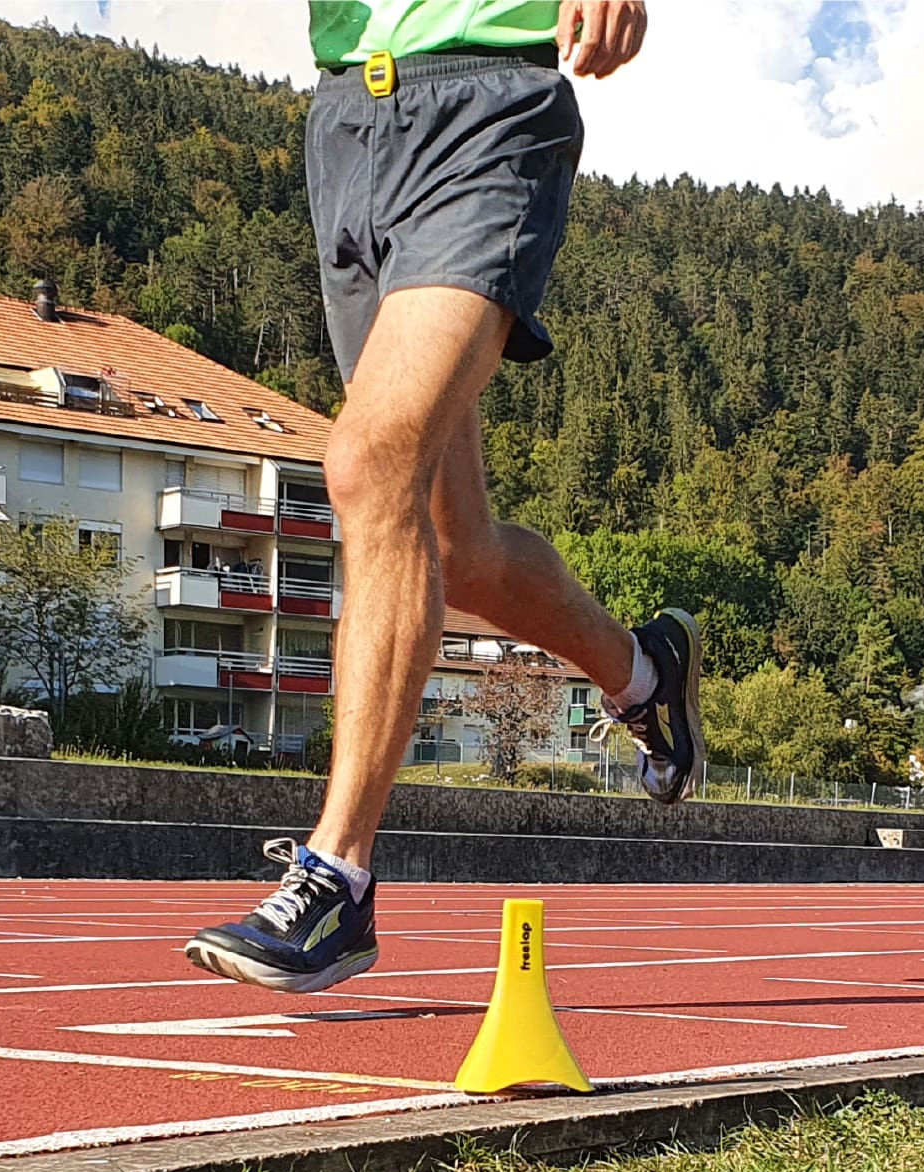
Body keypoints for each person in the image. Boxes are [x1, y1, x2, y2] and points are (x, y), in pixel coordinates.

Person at [186, 0, 701, 994]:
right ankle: (646, 674)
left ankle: (337, 877)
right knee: (454, 550)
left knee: (369, 467)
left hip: (487, 109)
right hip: (348, 127)